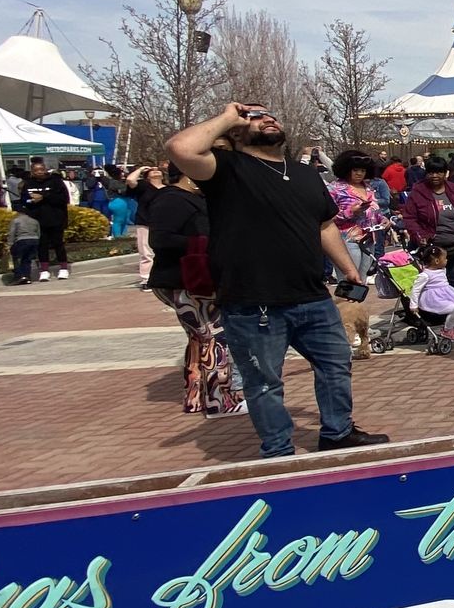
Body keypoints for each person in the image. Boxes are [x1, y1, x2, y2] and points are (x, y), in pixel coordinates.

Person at [166, 101, 389, 457]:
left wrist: (347, 268)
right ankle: (278, 448)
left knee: (335, 365)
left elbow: (324, 224)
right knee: (264, 382)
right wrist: (227, 116)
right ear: (236, 131)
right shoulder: (225, 169)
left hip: (312, 297)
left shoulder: (304, 175)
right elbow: (179, 148)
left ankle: (337, 431)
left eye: (269, 115)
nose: (266, 119)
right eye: (253, 117)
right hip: (253, 303)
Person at [145, 164, 245, 417]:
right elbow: (159, 239)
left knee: (200, 337)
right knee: (213, 335)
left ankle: (196, 397)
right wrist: (206, 243)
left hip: (191, 281)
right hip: (184, 280)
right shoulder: (171, 199)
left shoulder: (192, 198)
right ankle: (220, 399)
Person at [403, 154, 454, 298]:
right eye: (431, 172)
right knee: (431, 280)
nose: (435, 176)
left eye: (439, 172)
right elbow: (410, 217)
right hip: (431, 246)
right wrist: (419, 235)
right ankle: (433, 310)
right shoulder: (418, 192)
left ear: (445, 173)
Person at [330, 150, 388, 274]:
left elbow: (375, 211)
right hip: (346, 240)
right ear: (346, 169)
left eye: (363, 170)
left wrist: (383, 220)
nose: (359, 174)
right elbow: (327, 218)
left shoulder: (368, 187)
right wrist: (350, 212)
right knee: (350, 279)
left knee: (362, 280)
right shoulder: (335, 189)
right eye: (355, 170)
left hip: (368, 240)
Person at [20, 160, 72, 281]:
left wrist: (44, 197)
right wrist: (30, 201)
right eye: (36, 170)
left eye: (41, 170)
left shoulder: (56, 182)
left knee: (58, 243)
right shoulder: (28, 184)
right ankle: (44, 270)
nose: (39, 172)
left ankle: (63, 268)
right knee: (41, 245)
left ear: (45, 170)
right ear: (32, 171)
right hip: (37, 220)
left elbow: (63, 199)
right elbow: (23, 200)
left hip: (56, 218)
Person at [410, 243, 454, 342]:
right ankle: (447, 330)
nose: (447, 260)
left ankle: (452, 324)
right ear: (437, 261)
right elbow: (416, 289)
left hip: (446, 295)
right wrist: (413, 305)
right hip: (433, 299)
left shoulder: (441, 270)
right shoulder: (425, 275)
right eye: (445, 258)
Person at [124, 163, 165, 287]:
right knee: (146, 252)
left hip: (163, 223)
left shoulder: (168, 188)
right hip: (145, 221)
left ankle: (161, 276)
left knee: (163, 250)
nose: (156, 171)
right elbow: (130, 180)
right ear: (147, 176)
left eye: (158, 170)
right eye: (152, 171)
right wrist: (141, 169)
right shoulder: (143, 186)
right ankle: (146, 279)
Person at [7, 207, 41, 285]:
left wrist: (10, 244)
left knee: (17, 259)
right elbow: (38, 233)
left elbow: (12, 233)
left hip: (22, 240)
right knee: (27, 259)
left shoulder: (16, 221)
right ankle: (27, 277)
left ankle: (19, 277)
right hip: (34, 240)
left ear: (18, 212)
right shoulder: (34, 221)